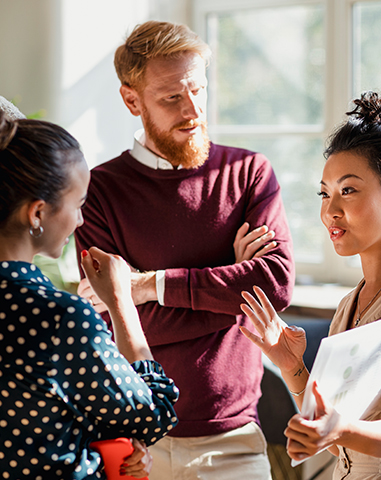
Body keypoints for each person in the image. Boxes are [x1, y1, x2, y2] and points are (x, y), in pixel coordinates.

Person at [74, 20, 295, 479]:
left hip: (235, 441)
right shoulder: (97, 192)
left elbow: (272, 287)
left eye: (198, 89)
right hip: (137, 446)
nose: (192, 108)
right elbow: (111, 323)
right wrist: (230, 285)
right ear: (131, 100)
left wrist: (145, 286)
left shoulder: (249, 172)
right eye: (172, 97)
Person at [241, 92, 381, 480]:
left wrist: (339, 428)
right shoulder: (351, 304)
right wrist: (291, 366)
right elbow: (331, 435)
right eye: (325, 192)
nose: (330, 209)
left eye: (348, 190)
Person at [0, 111, 179, 479]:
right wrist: (120, 301)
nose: (81, 221)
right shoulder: (57, 318)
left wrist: (101, 442)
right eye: (79, 204)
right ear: (37, 213)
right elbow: (153, 413)